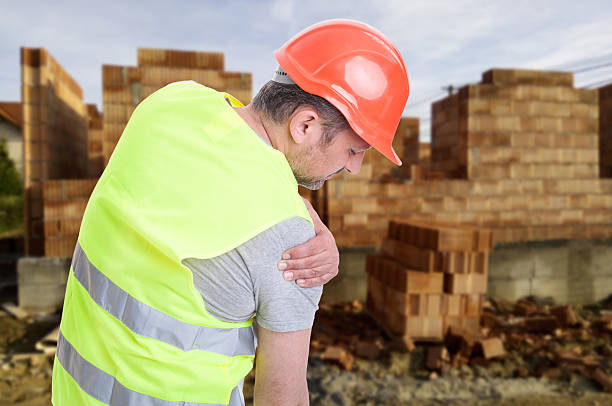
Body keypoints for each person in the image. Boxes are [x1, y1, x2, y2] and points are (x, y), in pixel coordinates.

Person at [51, 19, 409, 406]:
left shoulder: (169, 104)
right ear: (305, 124)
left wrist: (301, 211)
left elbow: (220, 173)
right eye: (354, 150)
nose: (353, 167)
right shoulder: (294, 250)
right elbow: (282, 396)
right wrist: (301, 222)